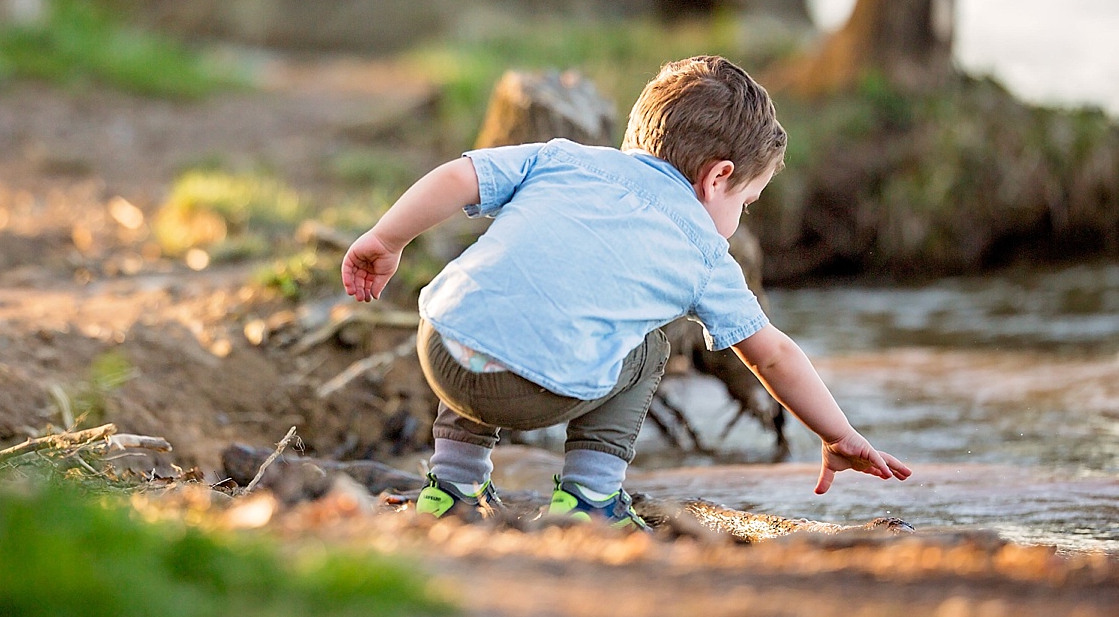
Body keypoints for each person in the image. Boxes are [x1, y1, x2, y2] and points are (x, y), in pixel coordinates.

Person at [341, 55, 911, 527]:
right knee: (649, 349)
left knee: (496, 293)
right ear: (718, 178)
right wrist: (838, 434)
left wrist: (385, 239)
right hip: (526, 390)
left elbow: (456, 176)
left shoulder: (562, 157)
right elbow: (774, 355)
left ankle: (453, 487)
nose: (738, 219)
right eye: (745, 202)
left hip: (439, 343)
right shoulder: (705, 253)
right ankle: (590, 499)